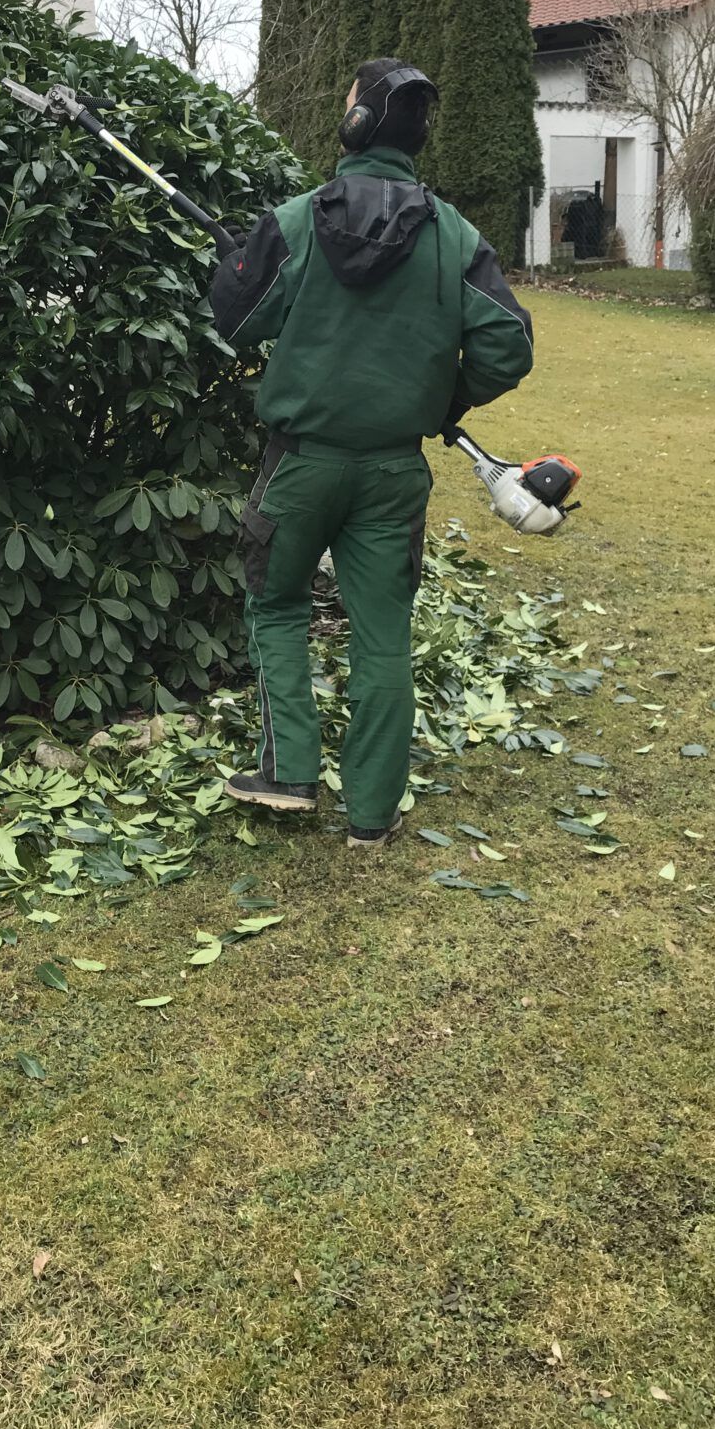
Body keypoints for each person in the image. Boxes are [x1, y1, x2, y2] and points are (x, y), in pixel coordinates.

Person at [209, 59, 535, 848]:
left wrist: (236, 266)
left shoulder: (295, 220)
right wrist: (442, 401)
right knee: (382, 630)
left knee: (278, 604)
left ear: (356, 125)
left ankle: (288, 772)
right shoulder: (455, 236)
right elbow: (508, 346)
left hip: (302, 463)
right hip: (394, 471)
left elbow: (233, 319)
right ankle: (371, 817)